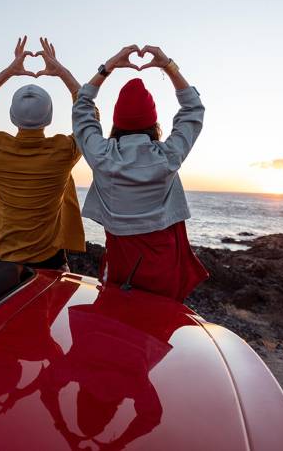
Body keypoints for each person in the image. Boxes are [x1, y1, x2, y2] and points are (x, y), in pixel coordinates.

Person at [72, 44, 208, 301]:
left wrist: (108, 66)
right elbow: (193, 110)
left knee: (117, 324)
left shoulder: (102, 155)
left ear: (116, 123)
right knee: (158, 329)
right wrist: (168, 66)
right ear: (154, 123)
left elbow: (82, 107)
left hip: (121, 262)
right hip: (163, 263)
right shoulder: (168, 157)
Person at [0, 36, 85, 269]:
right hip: (51, 261)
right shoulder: (64, 151)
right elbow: (88, 113)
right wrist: (62, 72)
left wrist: (9, 71)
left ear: (11, 116)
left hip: (5, 261)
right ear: (49, 117)